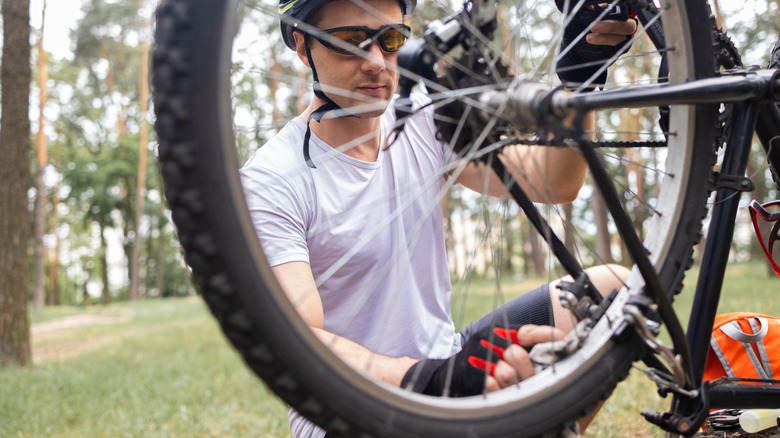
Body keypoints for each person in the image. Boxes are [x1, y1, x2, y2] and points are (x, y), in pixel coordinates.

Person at [240, 0, 637, 436]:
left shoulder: (420, 117)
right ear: (302, 45)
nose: (376, 63)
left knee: (611, 292)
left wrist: (581, 82)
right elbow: (297, 340)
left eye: (390, 40)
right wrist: (426, 382)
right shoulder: (271, 180)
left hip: (447, 367)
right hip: (353, 412)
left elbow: (554, 183)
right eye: (350, 42)